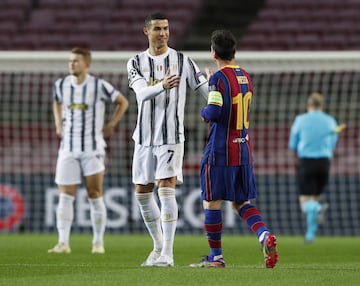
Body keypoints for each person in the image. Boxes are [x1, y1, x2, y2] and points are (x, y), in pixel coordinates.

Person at [189, 29, 278, 269]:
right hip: (244, 149)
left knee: (212, 202)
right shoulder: (246, 76)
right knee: (242, 203)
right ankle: (264, 235)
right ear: (234, 51)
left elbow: (214, 112)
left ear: (213, 52)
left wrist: (203, 111)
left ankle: (216, 257)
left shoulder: (218, 79)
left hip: (220, 151)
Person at [127, 12, 208, 267]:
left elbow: (204, 89)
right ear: (146, 32)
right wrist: (162, 85)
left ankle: (168, 254)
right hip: (143, 138)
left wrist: (216, 103)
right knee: (142, 193)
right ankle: (158, 247)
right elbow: (141, 94)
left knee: (166, 187)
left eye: (166, 28)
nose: (163, 33)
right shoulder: (136, 62)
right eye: (158, 29)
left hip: (171, 136)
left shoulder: (183, 60)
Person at [48, 47, 129, 254]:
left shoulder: (99, 85)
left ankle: (98, 243)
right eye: (70, 61)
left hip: (92, 148)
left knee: (95, 194)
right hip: (67, 148)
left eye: (76, 61)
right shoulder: (61, 85)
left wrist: (112, 124)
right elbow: (57, 102)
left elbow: (123, 101)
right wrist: (58, 123)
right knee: (65, 196)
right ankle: (63, 243)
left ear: (87, 64)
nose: (71, 64)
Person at [289, 92, 345, 243]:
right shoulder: (330, 121)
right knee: (315, 197)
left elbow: (292, 144)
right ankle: (310, 233)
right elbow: (333, 142)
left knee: (306, 203)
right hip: (324, 162)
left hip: (307, 161)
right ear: (322, 106)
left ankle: (318, 209)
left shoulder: (300, 120)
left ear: (308, 106)